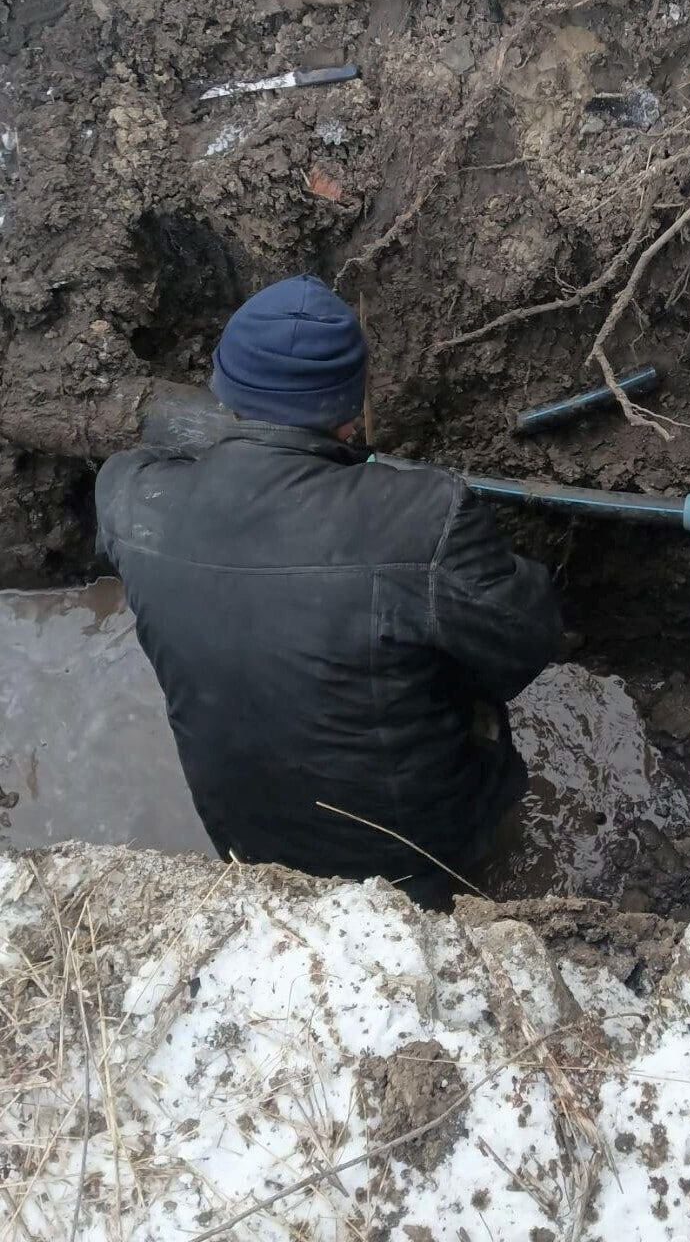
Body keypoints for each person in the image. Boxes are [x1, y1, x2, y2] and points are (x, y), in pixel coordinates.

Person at [95, 274, 562, 906]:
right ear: (351, 410)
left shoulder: (128, 497)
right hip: (411, 859)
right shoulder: (425, 518)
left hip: (242, 840)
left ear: (223, 388)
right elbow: (526, 643)